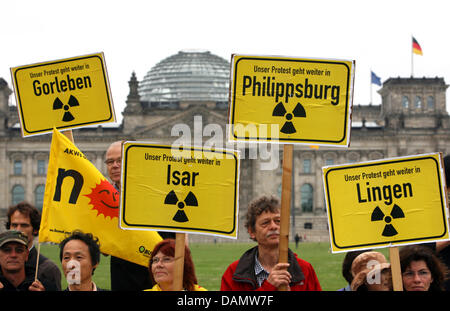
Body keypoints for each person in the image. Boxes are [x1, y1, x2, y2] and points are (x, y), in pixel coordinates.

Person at [105, 141, 175, 291]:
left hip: (154, 276)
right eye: (110, 162)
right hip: (121, 278)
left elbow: (174, 238)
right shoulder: (106, 198)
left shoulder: (156, 193)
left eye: (120, 160)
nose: (115, 165)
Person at [220, 195, 322, 291]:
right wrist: (268, 287)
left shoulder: (305, 269)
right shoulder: (233, 273)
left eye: (278, 221)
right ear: (251, 231)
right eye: (265, 223)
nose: (273, 226)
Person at [5, 201, 62, 290]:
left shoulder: (48, 269)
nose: (18, 230)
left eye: (24, 225)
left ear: (35, 230)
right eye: (14, 225)